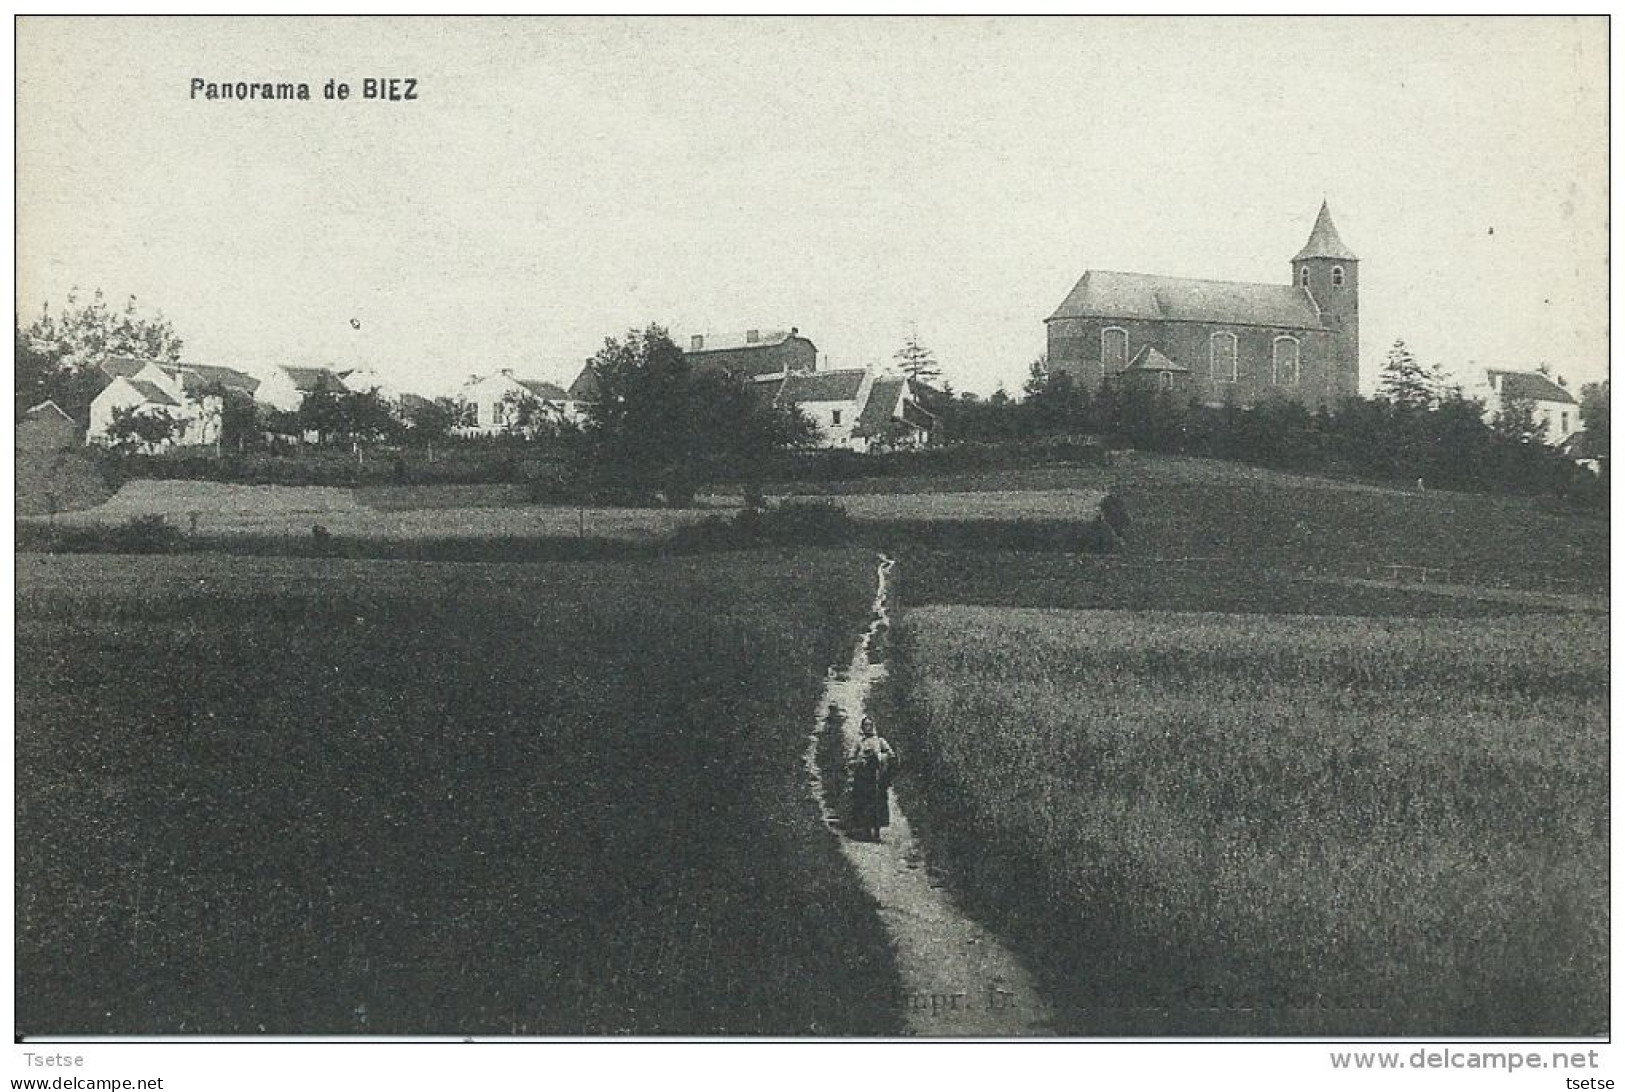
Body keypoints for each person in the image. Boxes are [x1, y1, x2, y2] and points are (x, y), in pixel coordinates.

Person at [847, 716, 898, 842]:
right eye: (865, 725)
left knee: (877, 802)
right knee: (864, 802)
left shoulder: (880, 741)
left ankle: (877, 832)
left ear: (873, 726)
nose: (867, 727)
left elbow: (891, 755)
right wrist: (860, 761)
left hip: (876, 777)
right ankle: (866, 830)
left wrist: (880, 757)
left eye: (870, 725)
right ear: (862, 727)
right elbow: (851, 758)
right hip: (863, 777)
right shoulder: (859, 742)